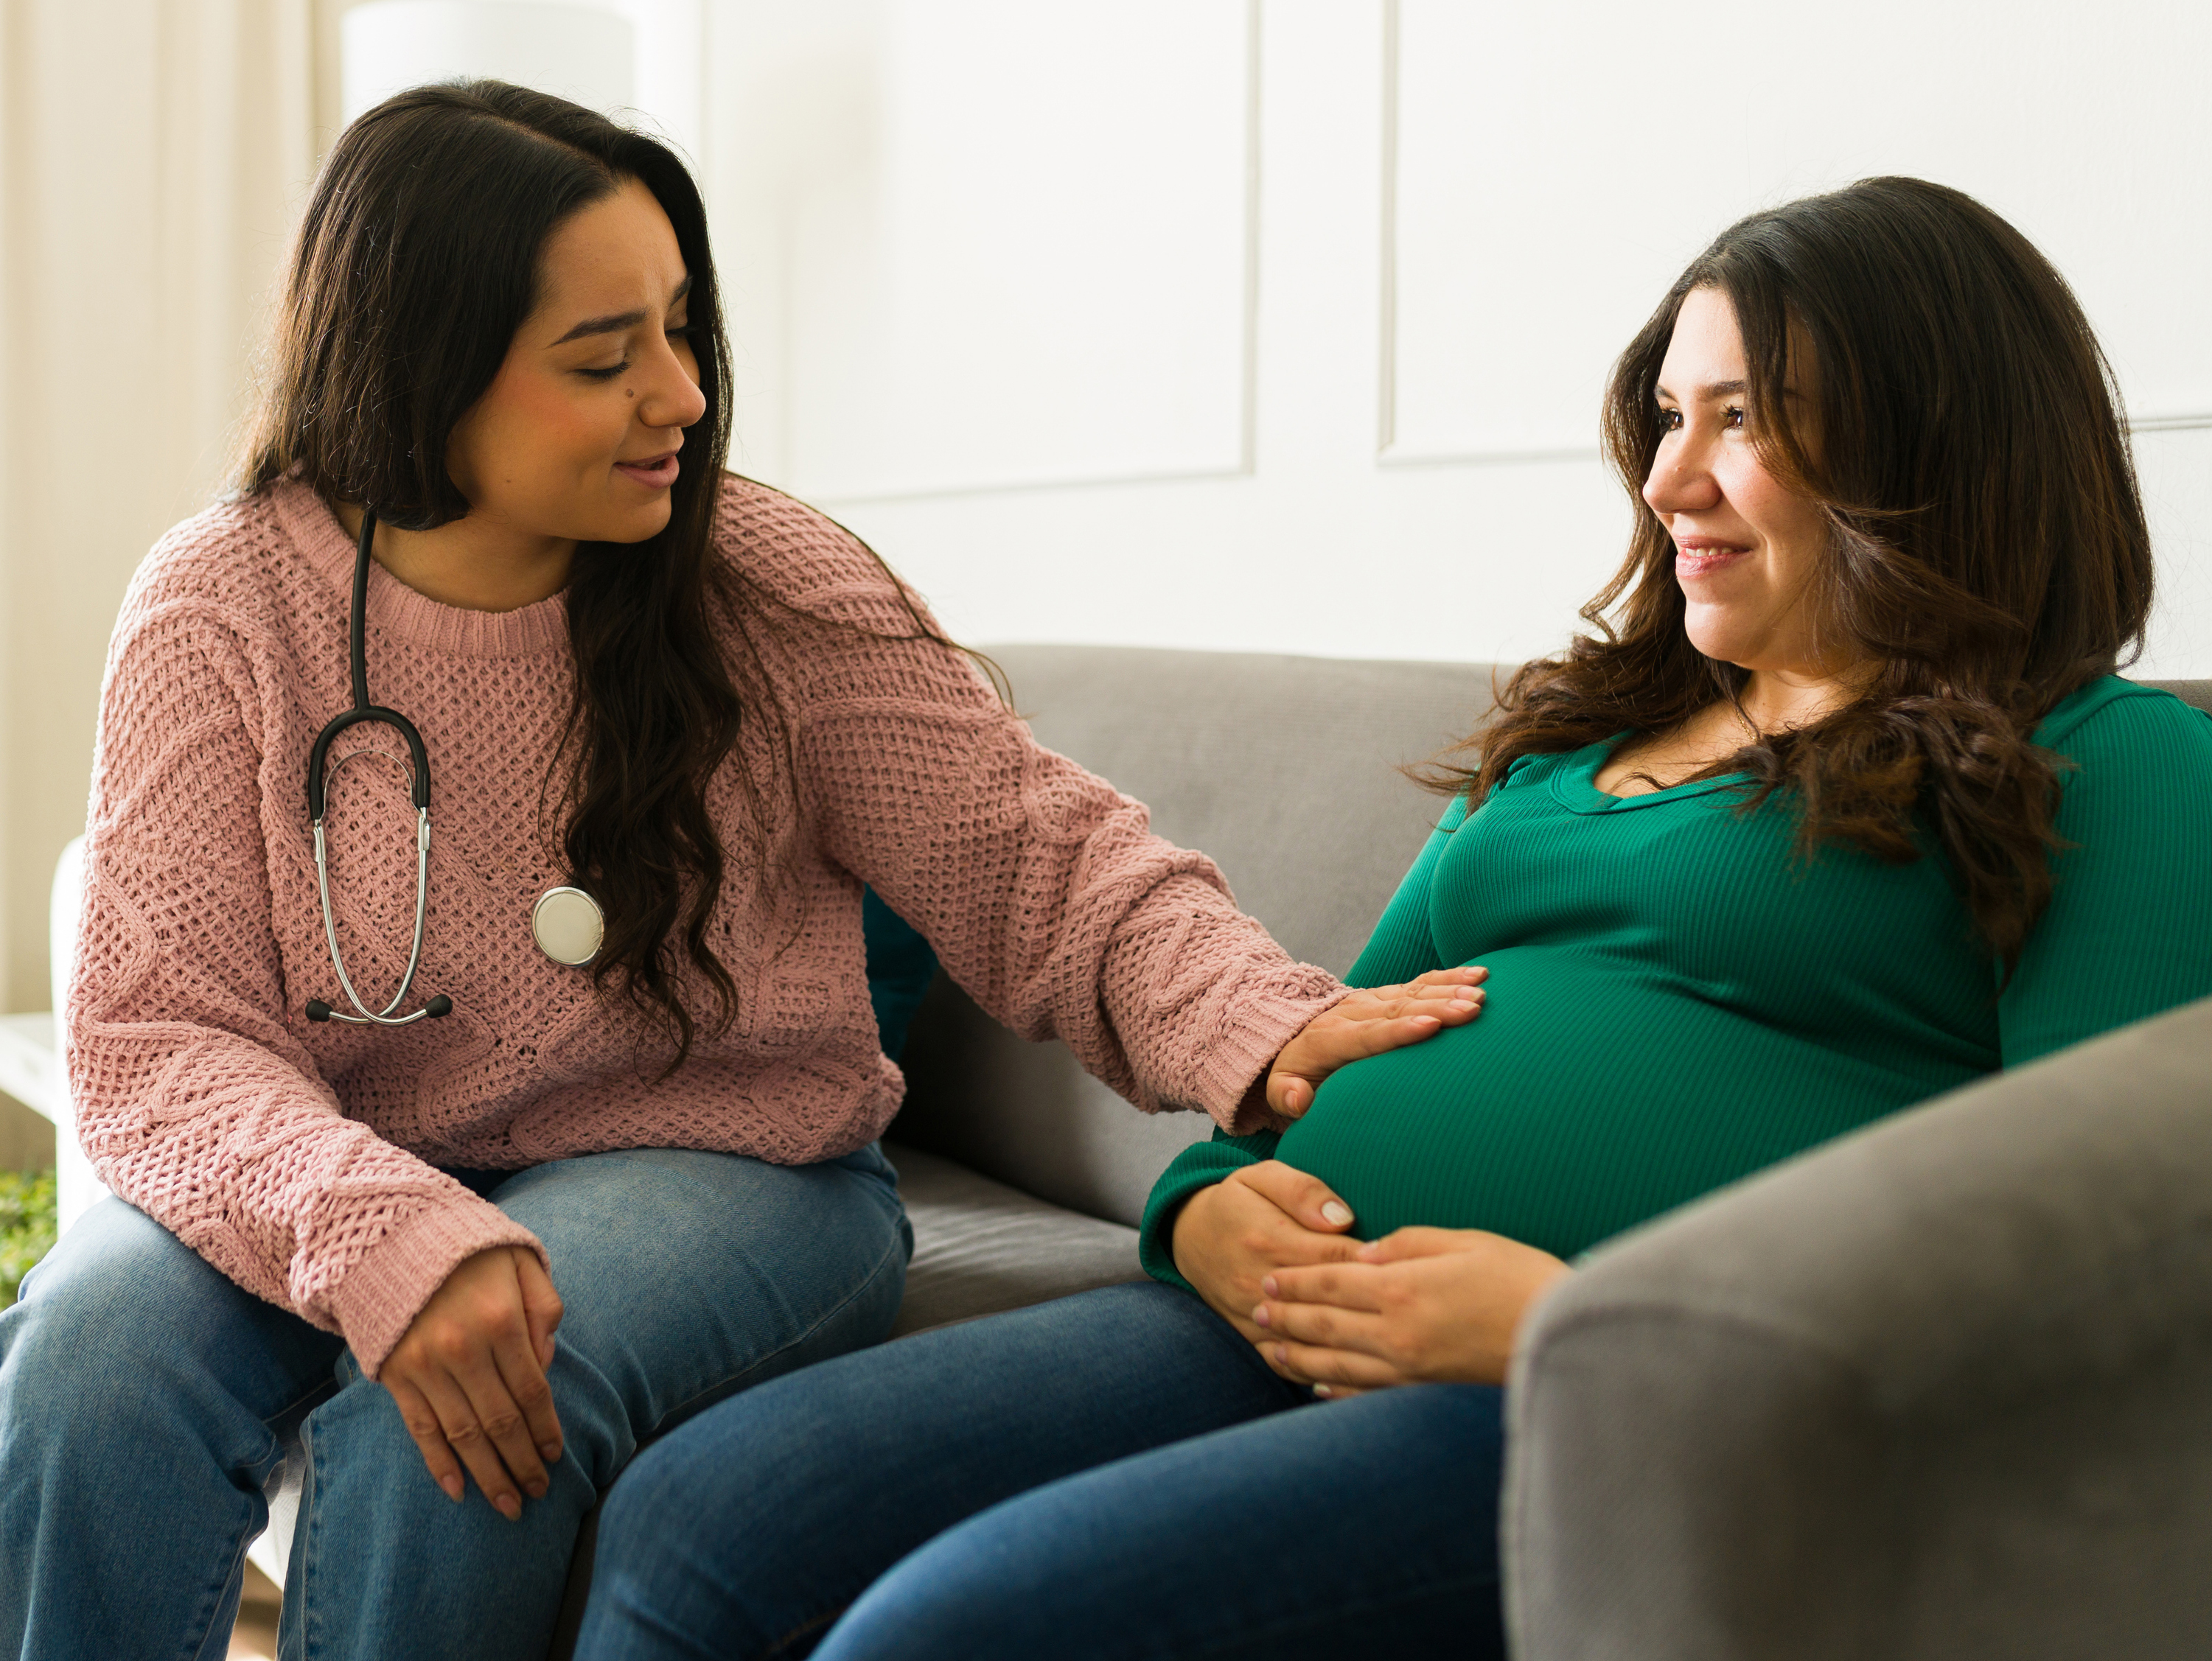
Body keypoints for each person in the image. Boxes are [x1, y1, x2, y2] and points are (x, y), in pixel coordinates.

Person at [570, 176, 2212, 1661]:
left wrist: (1572, 1330)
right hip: (1252, 1306)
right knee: (701, 1517)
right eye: (1663, 416)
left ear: (1929, 444)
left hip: (1586, 1393)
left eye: (1745, 419)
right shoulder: (1576, 751)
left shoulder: (2109, 760)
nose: (1669, 478)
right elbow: (1308, 1046)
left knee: (946, 1637)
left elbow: (2098, 1272)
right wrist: (1205, 1209)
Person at [0, 81, 1478, 1661]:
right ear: (425, 369)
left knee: (484, 1394)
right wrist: (371, 1223)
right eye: (604, 355)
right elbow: (159, 1037)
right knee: (90, 1356)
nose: (685, 396)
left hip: (733, 1167)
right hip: (345, 1153)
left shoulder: (766, 583)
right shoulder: (218, 604)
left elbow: (1036, 854)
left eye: (684, 331)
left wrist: (1254, 1019)